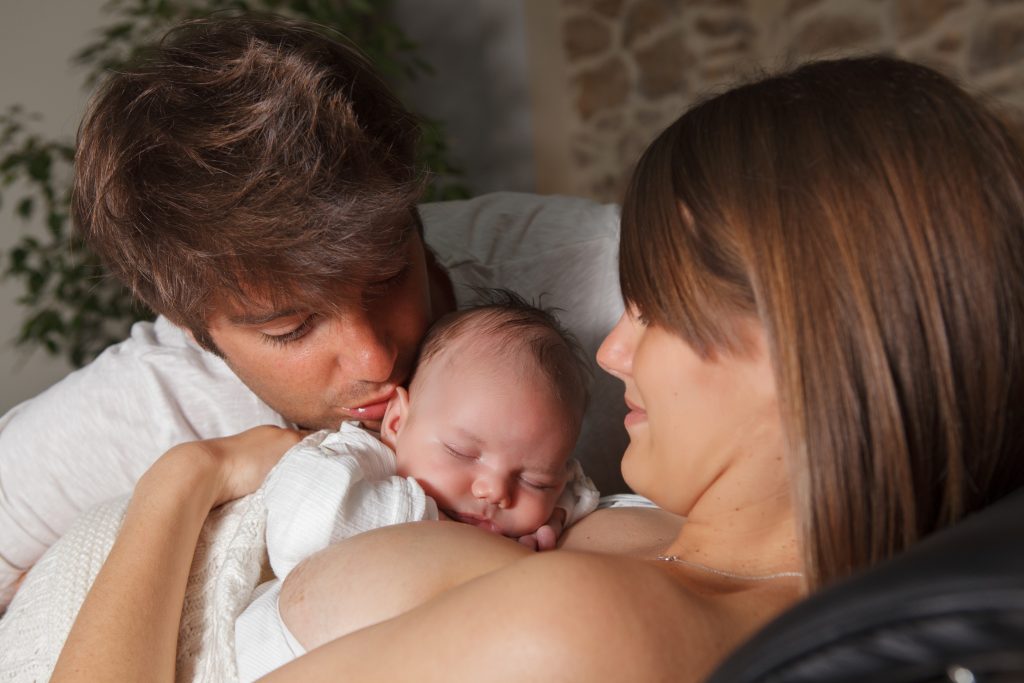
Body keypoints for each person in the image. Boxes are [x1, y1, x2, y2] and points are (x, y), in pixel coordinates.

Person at [52, 55, 1024, 682]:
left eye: (655, 304)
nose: (610, 347)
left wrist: (180, 483)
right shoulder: (689, 559)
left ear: (810, 342)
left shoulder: (587, 623)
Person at [0, 14, 629, 607]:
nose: (374, 357)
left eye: (388, 276)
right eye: (292, 328)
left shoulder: (612, 278)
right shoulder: (148, 404)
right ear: (196, 329)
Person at [235, 292, 600, 681]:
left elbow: (577, 492)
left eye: (532, 480)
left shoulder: (541, 511)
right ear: (396, 423)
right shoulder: (355, 459)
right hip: (273, 656)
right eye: (462, 452)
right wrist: (439, 525)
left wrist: (555, 516)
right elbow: (302, 536)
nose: (493, 491)